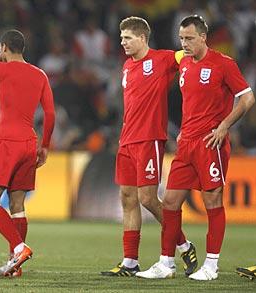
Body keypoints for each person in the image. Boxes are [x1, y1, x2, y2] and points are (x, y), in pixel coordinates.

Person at [136, 15, 255, 281]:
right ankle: (166, 263)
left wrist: (224, 126)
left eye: (189, 38)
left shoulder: (224, 64)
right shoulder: (185, 64)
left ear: (203, 37)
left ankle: (211, 266)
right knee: (169, 202)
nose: (184, 43)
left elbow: (247, 98)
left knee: (212, 200)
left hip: (210, 143)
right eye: (181, 39)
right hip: (186, 143)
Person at [100, 16, 197, 277]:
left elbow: (189, 56)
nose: (123, 43)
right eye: (121, 38)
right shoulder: (126, 67)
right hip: (127, 140)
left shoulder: (163, 59)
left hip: (150, 139)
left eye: (128, 38)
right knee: (128, 198)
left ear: (143, 38)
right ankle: (130, 262)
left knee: (147, 199)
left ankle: (184, 244)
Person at [0, 29, 55, 277]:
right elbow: (51, 114)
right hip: (29, 144)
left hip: (6, 142)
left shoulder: (1, 69)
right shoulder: (40, 74)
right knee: (17, 205)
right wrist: (44, 146)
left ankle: (19, 248)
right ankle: (14, 267)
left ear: (3, 48)